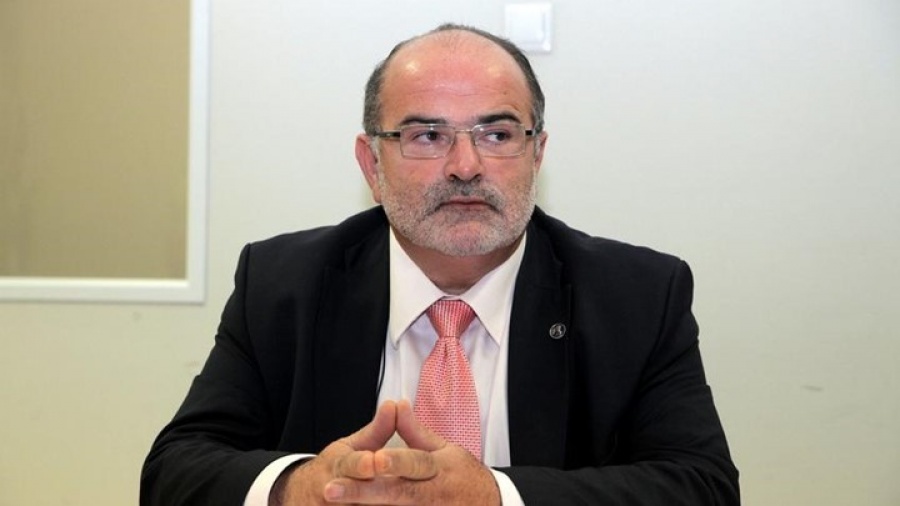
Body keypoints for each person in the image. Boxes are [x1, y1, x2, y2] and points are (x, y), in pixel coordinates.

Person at [141, 23, 739, 505]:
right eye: (427, 135)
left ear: (537, 154)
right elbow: (174, 471)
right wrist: (297, 489)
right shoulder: (282, 284)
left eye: (497, 134)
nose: (465, 166)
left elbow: (702, 486)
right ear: (372, 165)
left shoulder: (638, 296)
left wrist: (495, 496)